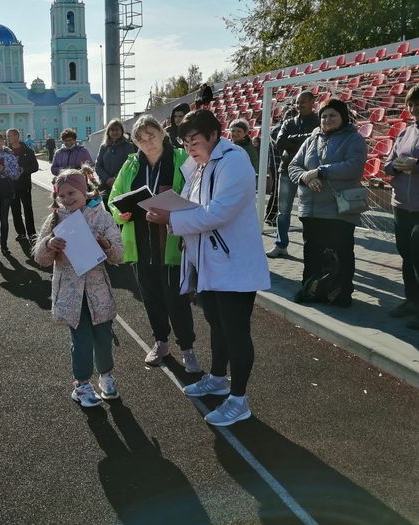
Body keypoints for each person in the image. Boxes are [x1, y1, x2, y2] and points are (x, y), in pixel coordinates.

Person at [146, 109, 270, 426]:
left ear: (214, 135)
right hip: (210, 262)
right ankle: (217, 378)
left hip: (234, 264)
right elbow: (192, 203)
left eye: (195, 141)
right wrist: (169, 212)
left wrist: (172, 218)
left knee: (236, 331)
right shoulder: (201, 166)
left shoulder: (234, 161)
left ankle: (239, 400)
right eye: (185, 143)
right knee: (216, 323)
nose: (190, 148)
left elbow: (218, 212)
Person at [108, 115, 200, 371]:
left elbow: (195, 192)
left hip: (171, 240)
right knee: (150, 297)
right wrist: (120, 214)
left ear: (162, 133)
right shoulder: (130, 164)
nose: (148, 142)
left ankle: (187, 348)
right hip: (140, 242)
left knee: (176, 299)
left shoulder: (181, 159)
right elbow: (115, 197)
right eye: (141, 139)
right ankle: (161, 342)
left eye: (152, 136)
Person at [34, 170, 124, 407]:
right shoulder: (55, 219)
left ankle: (106, 376)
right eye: (62, 195)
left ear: (84, 191)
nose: (67, 199)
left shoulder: (102, 217)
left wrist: (106, 245)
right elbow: (40, 258)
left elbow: (119, 255)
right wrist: (49, 244)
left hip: (98, 292)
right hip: (70, 293)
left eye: (72, 193)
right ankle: (82, 385)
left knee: (103, 337)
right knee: (81, 339)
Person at [288, 98, 367, 307]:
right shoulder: (311, 139)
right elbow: (293, 166)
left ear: (343, 117)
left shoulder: (353, 139)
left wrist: (320, 172)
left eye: (332, 115)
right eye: (323, 116)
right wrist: (306, 178)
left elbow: (354, 166)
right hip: (311, 209)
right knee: (312, 254)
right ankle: (310, 290)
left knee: (341, 254)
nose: (327, 119)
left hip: (339, 210)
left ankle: (340, 294)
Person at [267, 91, 319, 257]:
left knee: (309, 212)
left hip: (309, 173)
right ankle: (281, 245)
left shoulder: (319, 121)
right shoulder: (288, 122)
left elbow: (317, 141)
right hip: (287, 170)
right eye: (297, 102)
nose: (299, 105)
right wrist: (304, 140)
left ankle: (313, 248)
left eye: (303, 102)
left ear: (312, 102)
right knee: (283, 212)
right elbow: (280, 142)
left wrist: (293, 140)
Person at [384, 85, 419, 326]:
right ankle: (412, 300)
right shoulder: (404, 132)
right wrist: (395, 166)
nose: (415, 108)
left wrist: (416, 167)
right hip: (400, 204)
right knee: (406, 254)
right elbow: (388, 164)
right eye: (412, 104)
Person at [264, 107, 298, 225]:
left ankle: (272, 216)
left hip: (282, 163)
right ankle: (271, 216)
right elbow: (280, 146)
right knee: (277, 191)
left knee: (279, 191)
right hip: (277, 164)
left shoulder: (284, 128)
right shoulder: (278, 129)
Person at [7, 128, 40, 242]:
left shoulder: (28, 151)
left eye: (11, 135)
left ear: (17, 136)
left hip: (24, 185)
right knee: (15, 210)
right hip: (11, 186)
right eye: (8, 136)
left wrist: (24, 170)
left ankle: (31, 233)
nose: (9, 138)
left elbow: (35, 167)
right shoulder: (6, 152)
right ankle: (21, 233)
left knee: (27, 209)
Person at [95, 118, 136, 209]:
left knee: (121, 212)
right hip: (105, 186)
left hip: (122, 185)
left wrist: (116, 179)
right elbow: (98, 166)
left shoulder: (128, 146)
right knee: (107, 212)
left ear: (122, 131)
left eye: (117, 129)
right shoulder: (104, 147)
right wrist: (107, 179)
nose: (115, 132)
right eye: (112, 130)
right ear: (108, 132)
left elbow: (130, 164)